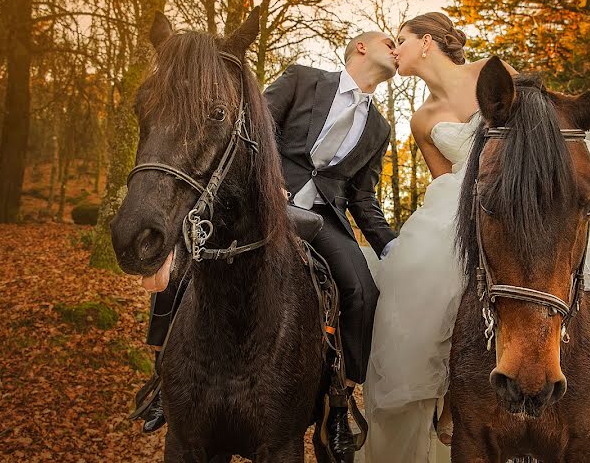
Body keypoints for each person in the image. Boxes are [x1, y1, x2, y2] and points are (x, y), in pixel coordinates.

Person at [363, 12, 590, 462]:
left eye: (400, 40)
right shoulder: (421, 119)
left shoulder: (492, 73)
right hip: (471, 199)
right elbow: (446, 178)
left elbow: (543, 116)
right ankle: (449, 392)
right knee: (423, 282)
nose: (394, 50)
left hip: (534, 185)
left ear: (427, 42)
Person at [136, 32, 399, 462]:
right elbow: (254, 125)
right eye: (388, 40)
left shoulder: (380, 128)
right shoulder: (302, 79)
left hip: (322, 219)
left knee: (362, 291)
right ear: (361, 47)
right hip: (260, 197)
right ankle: (165, 382)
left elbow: (362, 197)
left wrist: (390, 247)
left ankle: (338, 403)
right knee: (187, 253)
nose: (395, 47)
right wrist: (269, 181)